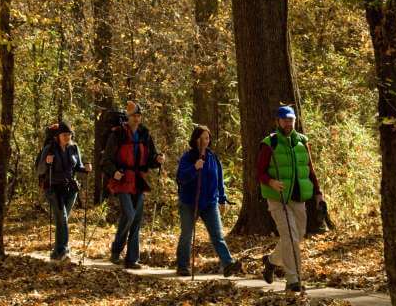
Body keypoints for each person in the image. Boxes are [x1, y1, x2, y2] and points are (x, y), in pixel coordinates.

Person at [257, 106, 323, 292]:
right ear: (277, 121)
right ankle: (293, 280)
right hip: (278, 198)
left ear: (294, 121)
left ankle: (270, 261)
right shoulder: (270, 143)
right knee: (290, 237)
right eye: (284, 120)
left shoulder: (302, 142)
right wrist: (271, 182)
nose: (288, 123)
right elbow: (259, 172)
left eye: (291, 119)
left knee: (297, 236)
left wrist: (318, 192)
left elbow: (310, 169)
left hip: (298, 198)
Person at [102, 100, 165, 269]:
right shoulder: (118, 134)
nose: (137, 119)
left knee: (136, 219)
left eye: (139, 116)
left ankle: (132, 259)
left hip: (138, 179)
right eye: (134, 116)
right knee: (129, 215)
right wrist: (114, 171)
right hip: (122, 179)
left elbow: (151, 158)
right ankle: (116, 250)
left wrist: (157, 159)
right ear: (127, 117)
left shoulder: (145, 134)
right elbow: (106, 160)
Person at [175, 125, 242, 277]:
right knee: (186, 234)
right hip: (189, 202)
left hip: (209, 203)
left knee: (217, 235)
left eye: (208, 137)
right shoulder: (188, 157)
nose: (207, 140)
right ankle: (182, 265)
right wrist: (194, 168)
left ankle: (228, 264)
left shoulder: (213, 158)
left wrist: (222, 199)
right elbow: (180, 178)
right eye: (204, 137)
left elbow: (219, 181)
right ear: (196, 139)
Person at [35, 121, 91, 262]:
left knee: (61, 220)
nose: (67, 137)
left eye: (69, 134)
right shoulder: (49, 149)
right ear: (58, 136)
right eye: (64, 134)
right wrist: (47, 162)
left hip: (70, 189)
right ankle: (65, 250)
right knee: (63, 218)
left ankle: (56, 253)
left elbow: (78, 166)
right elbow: (40, 170)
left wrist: (86, 169)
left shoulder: (74, 148)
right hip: (53, 188)